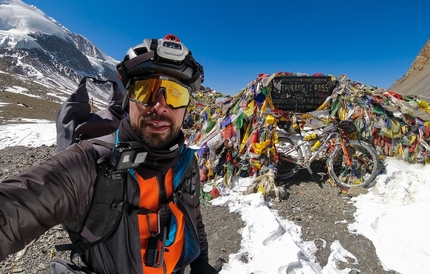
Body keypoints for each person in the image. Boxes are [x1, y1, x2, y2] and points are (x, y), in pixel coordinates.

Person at [0, 34, 218, 274]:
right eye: (146, 90)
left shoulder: (186, 163)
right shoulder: (89, 164)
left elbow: (194, 218)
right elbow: (17, 206)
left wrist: (200, 262)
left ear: (186, 107)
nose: (160, 106)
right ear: (128, 98)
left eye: (177, 94)